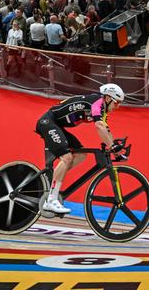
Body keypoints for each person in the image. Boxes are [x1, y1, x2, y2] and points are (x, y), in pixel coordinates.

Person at [35, 83, 125, 214]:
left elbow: (105, 129)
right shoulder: (96, 102)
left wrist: (116, 151)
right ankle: (51, 200)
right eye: (116, 103)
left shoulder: (102, 109)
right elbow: (99, 126)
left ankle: (55, 180)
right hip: (48, 122)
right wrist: (112, 146)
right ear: (107, 98)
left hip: (57, 125)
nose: (118, 106)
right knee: (67, 158)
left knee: (81, 155)